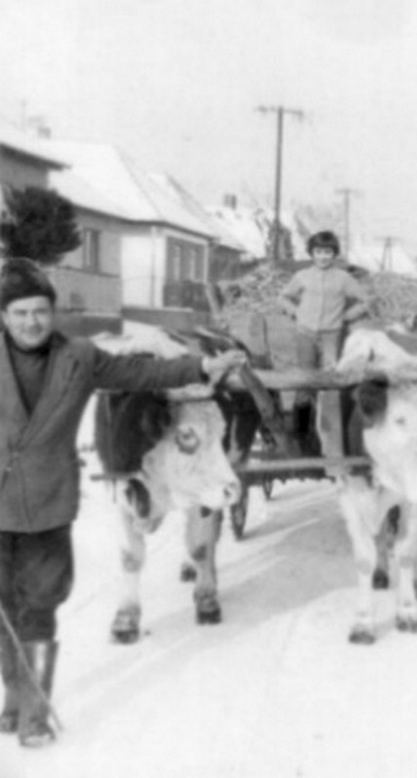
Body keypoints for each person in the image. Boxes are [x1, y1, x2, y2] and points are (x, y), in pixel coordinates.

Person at [0, 257, 247, 748]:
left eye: (40, 311)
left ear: (53, 313)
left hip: (50, 503)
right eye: (20, 312)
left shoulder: (81, 356)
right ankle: (14, 696)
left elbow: (140, 373)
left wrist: (201, 365)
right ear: (4, 315)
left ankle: (34, 710)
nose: (31, 321)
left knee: (41, 604)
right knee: (5, 605)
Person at [279, 231, 368, 442]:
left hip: (331, 335)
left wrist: (346, 316)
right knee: (305, 379)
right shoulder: (302, 276)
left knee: (329, 381)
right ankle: (300, 433)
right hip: (305, 333)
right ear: (311, 253)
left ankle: (328, 435)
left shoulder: (343, 278)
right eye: (318, 251)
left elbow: (365, 301)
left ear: (334, 254)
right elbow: (283, 297)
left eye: (327, 252)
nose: (323, 256)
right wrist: (295, 312)